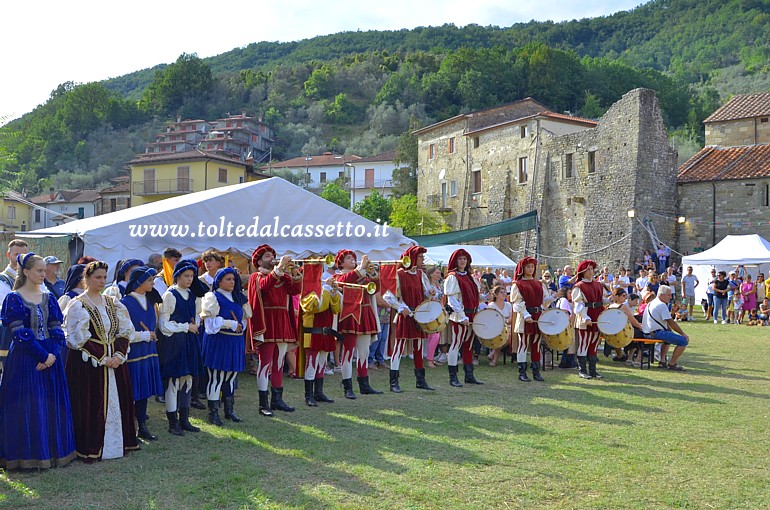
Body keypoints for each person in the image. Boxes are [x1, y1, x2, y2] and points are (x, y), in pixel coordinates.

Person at [0, 252, 76, 469]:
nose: (44, 274)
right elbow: (19, 333)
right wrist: (43, 356)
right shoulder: (14, 298)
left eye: (45, 270)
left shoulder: (49, 298)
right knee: (28, 407)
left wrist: (52, 354)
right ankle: (27, 456)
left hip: (50, 359)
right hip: (25, 361)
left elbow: (56, 328)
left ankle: (53, 453)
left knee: (50, 405)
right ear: (26, 272)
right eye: (39, 271)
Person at [64, 260, 139, 460]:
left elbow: (124, 331)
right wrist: (103, 357)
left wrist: (118, 355)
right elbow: (77, 338)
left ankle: (117, 444)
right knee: (91, 406)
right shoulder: (77, 304)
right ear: (86, 278)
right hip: (88, 365)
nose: (102, 281)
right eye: (97, 277)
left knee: (118, 403)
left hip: (115, 363)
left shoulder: (112, 302)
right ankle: (91, 447)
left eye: (104, 277)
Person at [248, 244, 302, 413]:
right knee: (265, 364)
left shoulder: (282, 276)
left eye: (272, 255)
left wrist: (294, 273)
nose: (271, 258)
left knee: (279, 363)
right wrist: (278, 269)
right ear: (258, 262)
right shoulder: (256, 276)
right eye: (267, 257)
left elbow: (295, 290)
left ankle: (277, 400)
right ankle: (263, 403)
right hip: (267, 323)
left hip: (283, 322)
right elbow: (264, 287)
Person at [157, 259, 206, 435]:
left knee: (188, 379)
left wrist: (196, 322)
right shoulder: (170, 295)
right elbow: (164, 325)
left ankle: (184, 419)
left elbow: (197, 316)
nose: (190, 279)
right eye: (186, 276)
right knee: (174, 380)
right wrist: (186, 327)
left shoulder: (192, 295)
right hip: (174, 343)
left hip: (190, 342)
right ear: (177, 276)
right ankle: (172, 422)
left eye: (192, 276)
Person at [200, 268, 250, 425]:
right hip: (219, 342)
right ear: (219, 281)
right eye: (228, 279)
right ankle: (213, 413)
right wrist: (230, 323)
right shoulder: (212, 297)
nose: (232, 282)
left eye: (233, 279)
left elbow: (245, 319)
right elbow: (209, 324)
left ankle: (229, 411)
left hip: (235, 342)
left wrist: (240, 324)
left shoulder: (238, 298)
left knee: (230, 377)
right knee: (216, 377)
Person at [332, 249, 383, 398]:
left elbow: (375, 290)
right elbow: (343, 282)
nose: (353, 260)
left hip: (365, 315)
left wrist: (373, 275)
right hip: (350, 317)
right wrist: (361, 269)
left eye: (354, 258)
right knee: (348, 353)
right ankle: (347, 387)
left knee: (364, 352)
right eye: (349, 258)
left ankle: (364, 384)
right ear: (340, 263)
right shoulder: (339, 276)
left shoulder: (362, 275)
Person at [382, 246, 434, 392]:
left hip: (418, 315)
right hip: (405, 314)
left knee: (418, 347)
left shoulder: (420, 274)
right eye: (420, 257)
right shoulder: (399, 274)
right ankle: (393, 382)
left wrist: (430, 292)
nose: (422, 260)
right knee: (398, 346)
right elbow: (388, 295)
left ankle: (420, 380)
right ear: (412, 258)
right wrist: (400, 307)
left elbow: (425, 292)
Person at [120, 266, 164, 441]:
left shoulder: (150, 301)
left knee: (144, 391)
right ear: (139, 282)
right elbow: (122, 333)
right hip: (133, 354)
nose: (153, 283)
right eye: (149, 280)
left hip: (149, 352)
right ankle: (129, 428)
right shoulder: (124, 303)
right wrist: (144, 335)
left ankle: (142, 428)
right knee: (132, 391)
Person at [299, 262, 340, 407]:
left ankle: (319, 392)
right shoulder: (307, 293)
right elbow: (317, 307)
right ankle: (308, 395)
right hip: (314, 333)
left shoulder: (325, 290)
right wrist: (327, 289)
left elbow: (336, 308)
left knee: (322, 363)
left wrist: (334, 292)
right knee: (311, 364)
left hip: (326, 332)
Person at [443, 248, 483, 387]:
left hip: (472, 314)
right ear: (455, 261)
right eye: (460, 259)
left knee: (469, 345)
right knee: (456, 344)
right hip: (460, 315)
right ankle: (453, 377)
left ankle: (469, 375)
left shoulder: (469, 277)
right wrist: (462, 316)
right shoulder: (453, 277)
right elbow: (452, 300)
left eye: (464, 259)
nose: (462, 261)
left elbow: (473, 296)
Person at [510, 256, 552, 382]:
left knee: (536, 344)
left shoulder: (539, 284)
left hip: (537, 316)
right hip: (525, 317)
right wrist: (526, 314)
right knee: (523, 344)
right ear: (523, 268)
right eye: (528, 266)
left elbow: (543, 301)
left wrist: (553, 297)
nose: (530, 269)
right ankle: (522, 372)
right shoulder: (518, 284)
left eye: (532, 267)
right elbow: (517, 303)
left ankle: (536, 371)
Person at [572, 260, 608, 379]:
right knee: (583, 343)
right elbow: (578, 305)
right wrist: (585, 317)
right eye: (587, 269)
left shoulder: (598, 285)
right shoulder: (579, 287)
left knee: (594, 344)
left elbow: (602, 300)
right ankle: (582, 370)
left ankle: (593, 370)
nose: (590, 271)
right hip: (585, 316)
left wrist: (612, 300)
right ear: (582, 272)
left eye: (592, 269)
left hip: (597, 315)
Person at [641, 285, 689, 371]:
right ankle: (672, 364)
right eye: (668, 295)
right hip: (656, 333)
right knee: (683, 341)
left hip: (648, 332)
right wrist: (683, 334)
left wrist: (673, 313)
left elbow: (665, 320)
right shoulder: (661, 305)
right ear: (661, 295)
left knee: (668, 337)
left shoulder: (652, 303)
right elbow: (671, 322)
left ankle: (662, 361)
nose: (670, 297)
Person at [0, 239, 30, 364]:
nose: (20, 259)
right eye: (17, 255)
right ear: (8, 255)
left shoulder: (34, 279)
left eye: (24, 256)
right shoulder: (2, 280)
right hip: (9, 334)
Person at [606, 288, 643, 363]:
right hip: (623, 333)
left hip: (612, 332)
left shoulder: (610, 306)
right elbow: (633, 321)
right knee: (643, 335)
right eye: (623, 296)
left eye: (626, 296)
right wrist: (641, 327)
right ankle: (634, 358)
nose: (625, 298)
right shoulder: (623, 306)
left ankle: (620, 355)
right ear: (617, 296)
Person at [424, 266, 444, 368]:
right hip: (430, 312)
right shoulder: (428, 286)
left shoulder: (438, 286)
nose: (439, 275)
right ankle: (429, 360)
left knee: (436, 336)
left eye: (439, 273)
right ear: (431, 274)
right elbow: (426, 296)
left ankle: (431, 357)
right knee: (434, 336)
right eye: (437, 273)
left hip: (438, 311)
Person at [486, 285, 510, 367]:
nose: (504, 294)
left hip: (507, 327)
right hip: (494, 328)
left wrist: (506, 321)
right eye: (501, 292)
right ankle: (494, 358)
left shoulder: (508, 305)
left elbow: (511, 318)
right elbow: (491, 319)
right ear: (496, 295)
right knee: (502, 335)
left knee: (507, 335)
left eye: (505, 292)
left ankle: (493, 353)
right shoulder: (491, 305)